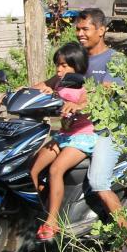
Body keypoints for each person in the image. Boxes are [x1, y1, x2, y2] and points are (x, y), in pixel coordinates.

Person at [73, 8, 127, 251]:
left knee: (98, 181)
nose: (80, 34)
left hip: (110, 130)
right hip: (82, 127)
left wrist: (78, 102)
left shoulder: (115, 60)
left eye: (85, 29)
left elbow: (106, 89)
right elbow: (57, 79)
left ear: (101, 30)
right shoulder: (78, 58)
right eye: (78, 29)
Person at [28, 42, 96, 241]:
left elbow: (87, 102)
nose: (59, 69)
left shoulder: (85, 84)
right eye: (57, 65)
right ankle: (34, 210)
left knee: (55, 169)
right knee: (32, 169)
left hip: (83, 137)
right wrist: (20, 92)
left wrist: (76, 105)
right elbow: (40, 87)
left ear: (77, 66)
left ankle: (52, 222)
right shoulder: (58, 82)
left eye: (64, 66)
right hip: (63, 135)